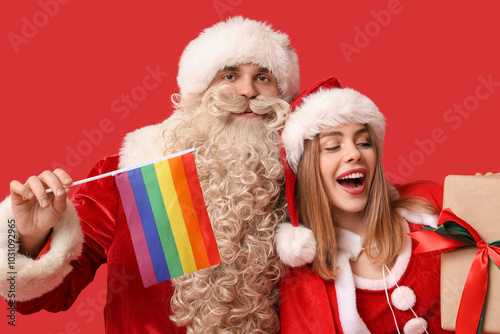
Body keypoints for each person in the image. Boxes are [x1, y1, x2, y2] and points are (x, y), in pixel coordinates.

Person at [0, 16, 300, 333]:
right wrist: (29, 237)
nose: (247, 90)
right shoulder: (139, 172)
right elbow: (35, 299)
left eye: (263, 77)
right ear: (198, 91)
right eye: (229, 75)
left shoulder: (303, 182)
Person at [276, 77, 453, 334]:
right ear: (306, 170)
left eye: (363, 143)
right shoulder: (301, 282)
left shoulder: (430, 207)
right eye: (333, 146)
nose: (354, 153)